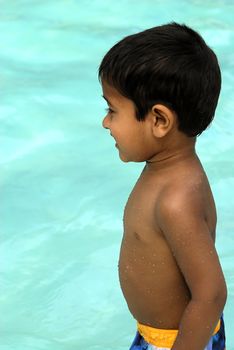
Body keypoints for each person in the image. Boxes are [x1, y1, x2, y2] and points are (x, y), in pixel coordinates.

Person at [98, 22, 227, 350]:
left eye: (112, 110)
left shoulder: (176, 200)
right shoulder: (166, 169)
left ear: (159, 121)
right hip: (159, 335)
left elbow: (211, 294)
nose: (106, 122)